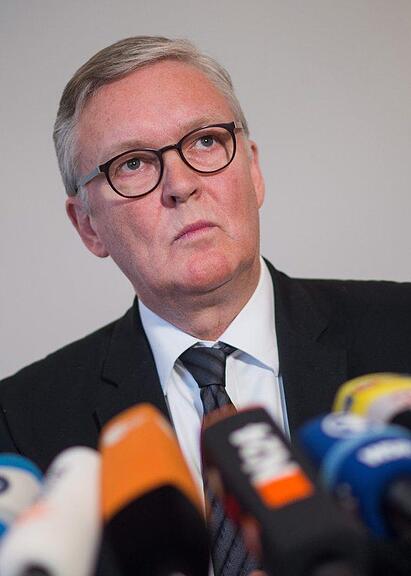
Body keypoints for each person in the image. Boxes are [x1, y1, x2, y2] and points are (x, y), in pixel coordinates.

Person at [1, 36, 411, 576]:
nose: (181, 184)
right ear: (87, 226)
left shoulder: (401, 329)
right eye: (132, 163)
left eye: (205, 141)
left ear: (254, 171)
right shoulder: (19, 423)